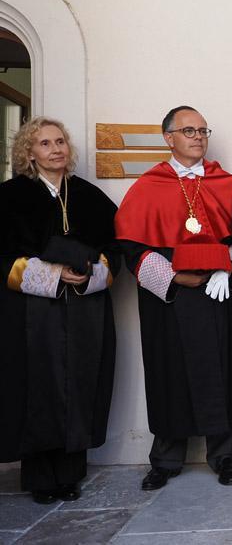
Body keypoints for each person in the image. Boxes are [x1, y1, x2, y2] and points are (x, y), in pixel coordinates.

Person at [115, 106, 232, 490]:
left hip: (217, 294)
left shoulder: (227, 183)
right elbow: (131, 247)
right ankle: (165, 459)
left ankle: (226, 457)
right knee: (169, 372)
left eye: (202, 130)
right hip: (170, 299)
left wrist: (230, 271)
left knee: (221, 370)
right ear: (169, 138)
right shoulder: (148, 186)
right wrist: (173, 279)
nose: (198, 137)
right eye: (188, 130)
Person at [0, 117, 119, 504]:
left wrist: (87, 275)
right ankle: (40, 478)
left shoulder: (89, 196)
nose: (56, 149)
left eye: (60, 142)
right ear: (29, 153)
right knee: (40, 387)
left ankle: (70, 474)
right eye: (45, 143)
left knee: (80, 384)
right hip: (33, 314)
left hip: (85, 308)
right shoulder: (9, 197)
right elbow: (3, 257)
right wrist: (53, 274)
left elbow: (114, 249)